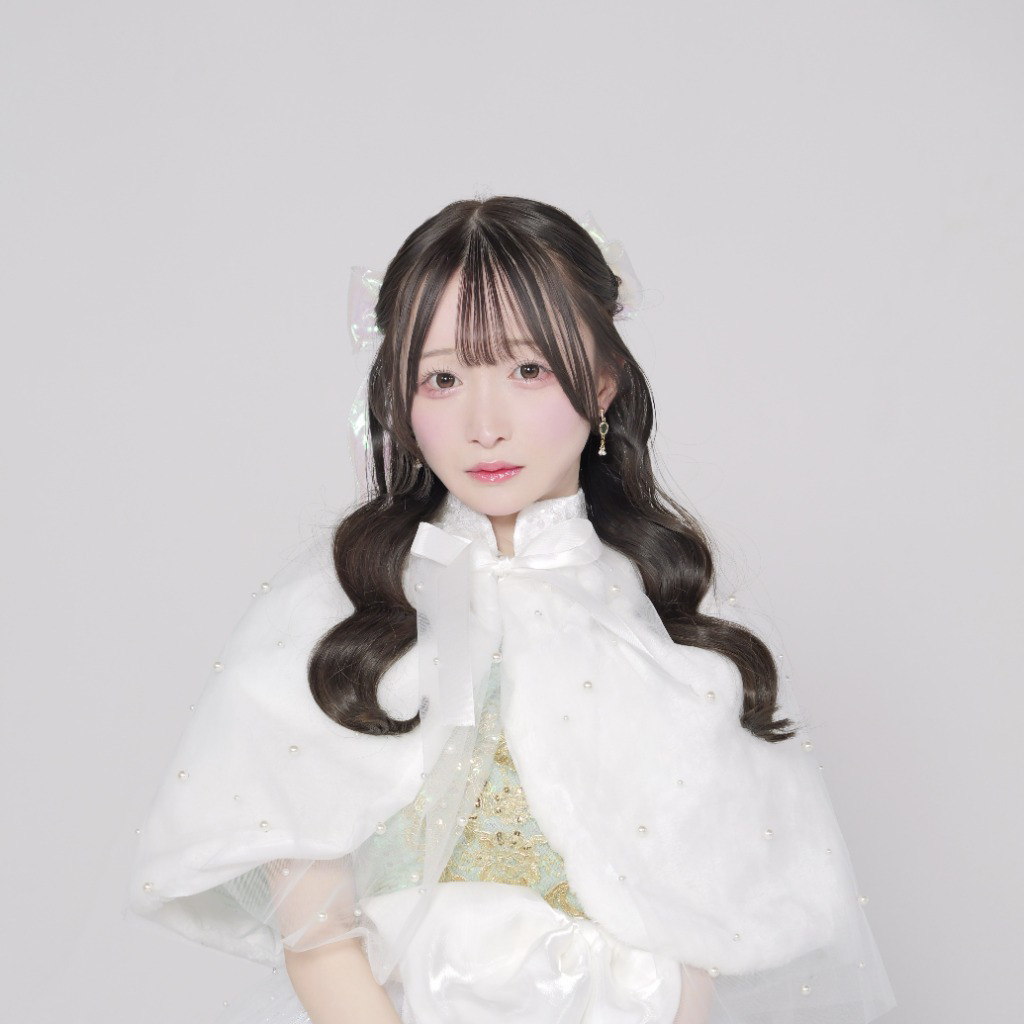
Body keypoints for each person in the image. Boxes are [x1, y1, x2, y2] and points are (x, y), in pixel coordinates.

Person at [130, 197, 896, 1024]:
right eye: (443, 379)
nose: (484, 426)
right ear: (398, 396)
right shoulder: (341, 607)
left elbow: (696, 928)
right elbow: (316, 938)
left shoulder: (667, 617)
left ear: (601, 383)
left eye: (527, 371)